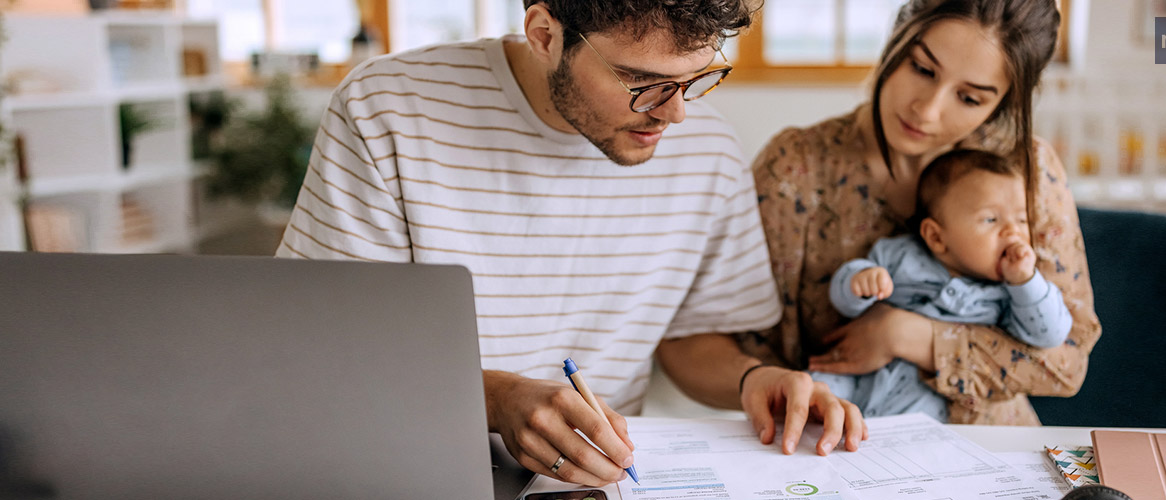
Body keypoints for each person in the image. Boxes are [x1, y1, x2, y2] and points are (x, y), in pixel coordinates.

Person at [275, 0, 866, 488]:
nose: (675, 114)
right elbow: (327, 352)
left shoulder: (708, 148)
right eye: (641, 81)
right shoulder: (389, 109)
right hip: (402, 465)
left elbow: (692, 337)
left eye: (695, 78)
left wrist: (750, 380)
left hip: (598, 485)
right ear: (544, 33)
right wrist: (497, 398)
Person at [747, 0, 1104, 425]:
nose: (927, 110)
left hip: (991, 454)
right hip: (837, 444)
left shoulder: (1028, 171)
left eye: (969, 97)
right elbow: (744, 352)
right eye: (921, 69)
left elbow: (1066, 363)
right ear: (897, 38)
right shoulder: (796, 167)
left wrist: (911, 336)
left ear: (1003, 102)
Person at [814, 148, 1073, 421]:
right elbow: (844, 303)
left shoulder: (1010, 294)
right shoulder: (901, 255)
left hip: (924, 393)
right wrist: (859, 281)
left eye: (1022, 220)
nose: (1013, 232)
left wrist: (1025, 281)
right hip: (860, 374)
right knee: (816, 388)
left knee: (916, 428)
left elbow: (1050, 335)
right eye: (991, 219)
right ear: (937, 237)